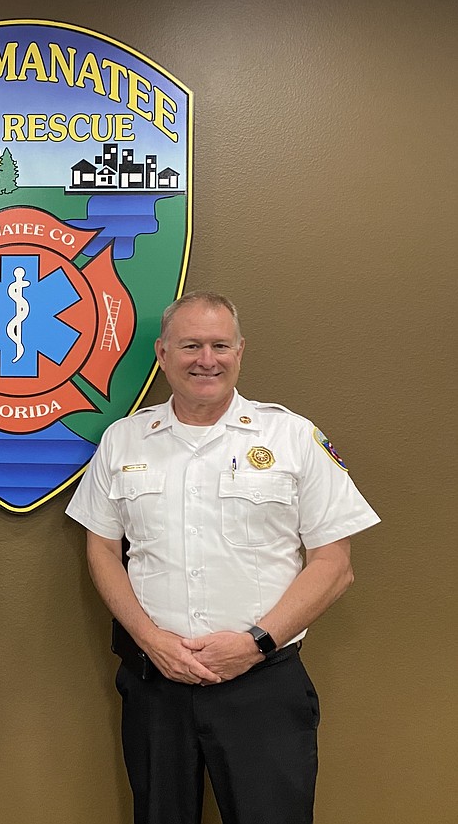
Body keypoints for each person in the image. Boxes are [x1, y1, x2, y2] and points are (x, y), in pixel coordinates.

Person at [66, 291, 380, 824]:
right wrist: (151, 640)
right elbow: (101, 548)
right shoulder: (125, 440)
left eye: (219, 345)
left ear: (240, 351)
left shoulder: (293, 437)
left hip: (263, 687)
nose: (205, 360)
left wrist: (254, 644)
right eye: (190, 346)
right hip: (155, 686)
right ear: (162, 354)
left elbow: (334, 565)